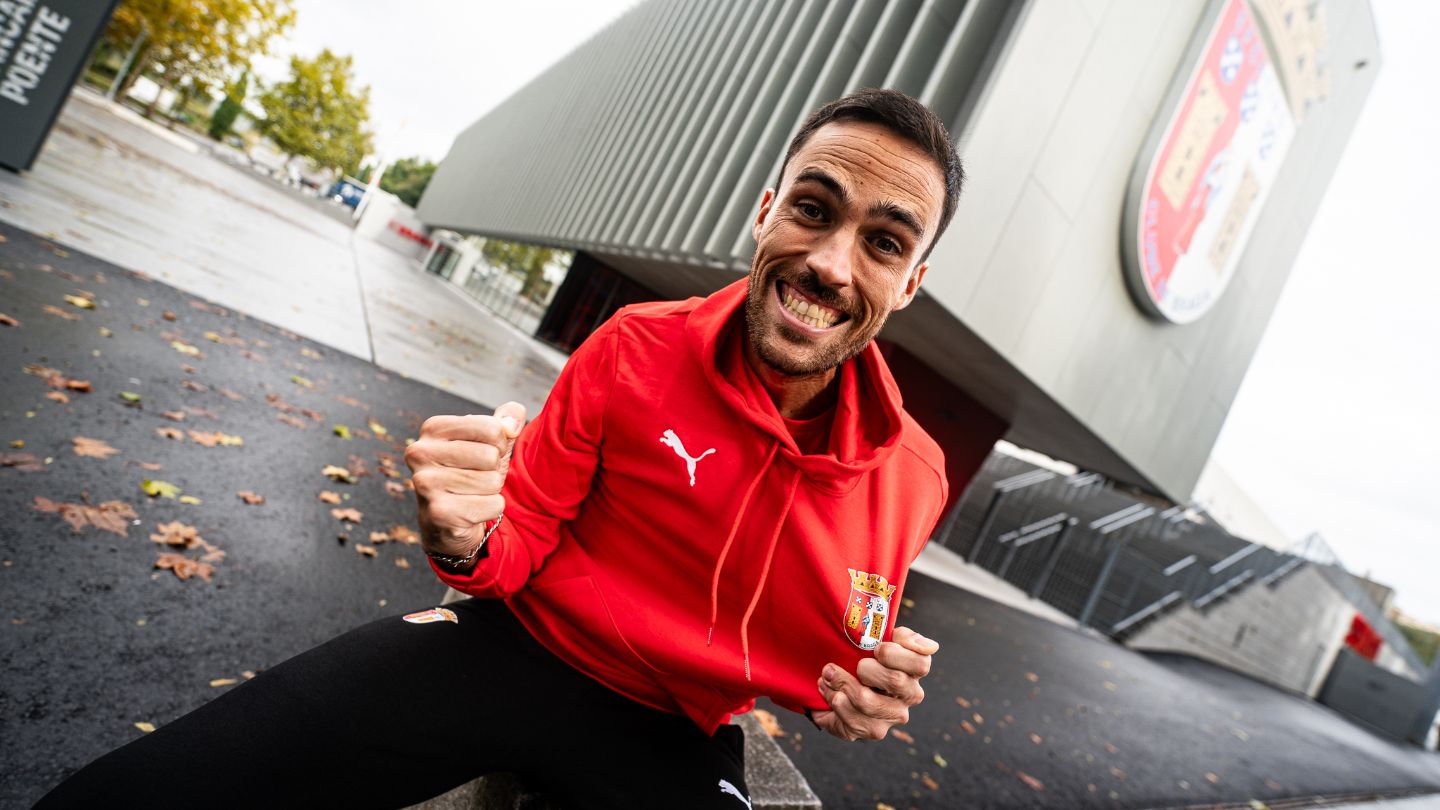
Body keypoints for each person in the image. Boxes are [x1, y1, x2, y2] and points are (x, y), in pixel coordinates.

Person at [36, 87, 964, 810]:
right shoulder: (634, 347)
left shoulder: (914, 478)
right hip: (513, 652)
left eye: (883, 243)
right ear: (766, 211)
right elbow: (511, 545)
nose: (831, 264)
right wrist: (465, 534)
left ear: (911, 282)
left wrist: (858, 701)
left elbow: (833, 663)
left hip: (674, 732)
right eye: (814, 209)